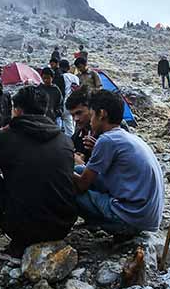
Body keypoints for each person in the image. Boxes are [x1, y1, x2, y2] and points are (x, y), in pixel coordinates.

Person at [0, 86, 77, 265]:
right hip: (63, 226)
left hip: (25, 228)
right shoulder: (64, 140)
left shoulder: (7, 137)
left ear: (17, 110)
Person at [73, 90, 164, 236]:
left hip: (129, 220)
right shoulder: (125, 136)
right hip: (146, 217)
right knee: (78, 169)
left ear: (102, 114)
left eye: (92, 115)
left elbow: (82, 184)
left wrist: (59, 165)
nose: (90, 122)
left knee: (66, 185)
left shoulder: (107, 140)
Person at [64, 88, 95, 164]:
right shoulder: (77, 136)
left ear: (92, 109)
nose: (75, 119)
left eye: (79, 113)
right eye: (72, 115)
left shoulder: (110, 134)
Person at [59, 60, 79, 136]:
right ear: (68, 67)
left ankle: (68, 143)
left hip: (64, 103)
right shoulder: (76, 78)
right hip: (75, 103)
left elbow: (61, 91)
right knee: (72, 124)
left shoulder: (62, 77)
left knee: (66, 127)